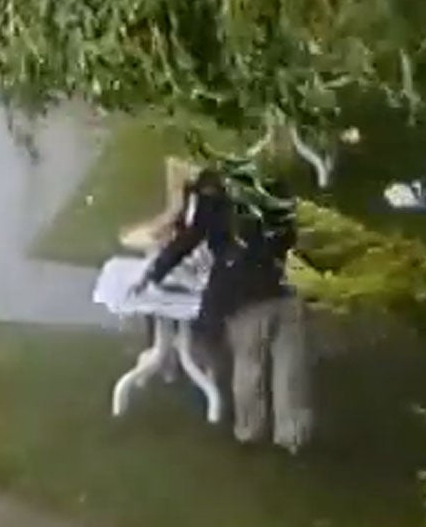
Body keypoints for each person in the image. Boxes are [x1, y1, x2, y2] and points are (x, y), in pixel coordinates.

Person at [130, 158, 310, 449]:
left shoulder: (214, 201)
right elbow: (290, 238)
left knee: (250, 364)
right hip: (286, 288)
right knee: (290, 368)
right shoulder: (276, 196)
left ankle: (249, 431)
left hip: (245, 295)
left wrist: (155, 272)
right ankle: (292, 436)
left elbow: (189, 239)